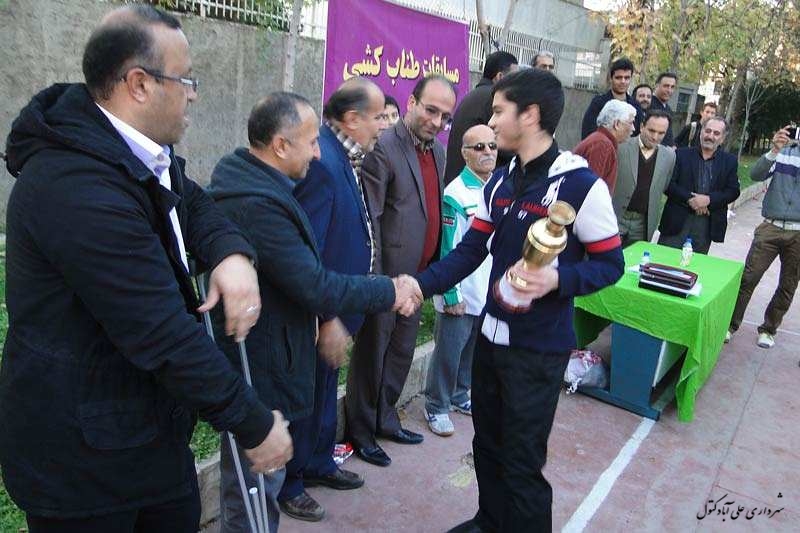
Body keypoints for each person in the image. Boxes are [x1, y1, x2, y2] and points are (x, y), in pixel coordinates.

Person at [0, 5, 289, 531]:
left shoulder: (136, 151)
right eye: (186, 80)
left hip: (146, 433)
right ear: (138, 84)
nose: (193, 94)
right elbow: (160, 332)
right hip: (84, 464)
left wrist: (231, 253)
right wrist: (253, 423)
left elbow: (192, 201)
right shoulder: (75, 185)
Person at [414, 68, 624, 533]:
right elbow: (470, 250)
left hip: (537, 351)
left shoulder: (580, 185)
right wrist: (418, 286)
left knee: (522, 463)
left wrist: (556, 280)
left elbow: (611, 265)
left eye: (498, 112)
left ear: (529, 115)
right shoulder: (501, 182)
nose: (491, 123)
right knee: (486, 446)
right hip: (490, 342)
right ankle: (490, 522)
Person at [207, 91, 421, 529]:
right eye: (310, 143)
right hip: (260, 369)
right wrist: (388, 290)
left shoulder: (263, 186)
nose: (318, 152)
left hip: (274, 357)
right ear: (280, 146)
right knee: (254, 494)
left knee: (261, 487)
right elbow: (313, 281)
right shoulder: (257, 203)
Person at [279, 78, 387, 521]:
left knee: (325, 391)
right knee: (305, 397)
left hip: (340, 308)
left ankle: (319, 462)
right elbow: (312, 248)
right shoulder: (322, 161)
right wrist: (326, 317)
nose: (383, 125)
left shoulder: (344, 155)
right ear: (352, 119)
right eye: (378, 117)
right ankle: (290, 483)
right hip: (322, 312)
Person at [347, 74, 456, 467]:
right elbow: (371, 218)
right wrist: (378, 279)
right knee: (372, 355)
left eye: (445, 116)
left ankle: (386, 419)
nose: (437, 121)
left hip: (419, 278)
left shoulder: (438, 152)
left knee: (400, 353)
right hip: (387, 278)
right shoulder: (384, 147)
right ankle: (360, 431)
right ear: (411, 103)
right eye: (431, 110)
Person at [424, 124, 495, 437]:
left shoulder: (497, 187)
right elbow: (448, 248)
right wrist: (451, 294)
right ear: (465, 154)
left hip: (484, 288)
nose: (488, 152)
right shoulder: (456, 193)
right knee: (448, 353)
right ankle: (436, 405)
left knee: (471, 350)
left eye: (492, 146)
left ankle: (459, 394)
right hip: (461, 290)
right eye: (479, 147)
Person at [726, 125, 800, 349]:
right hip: (770, 226)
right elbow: (755, 175)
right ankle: (730, 325)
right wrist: (774, 150)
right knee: (749, 278)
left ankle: (768, 329)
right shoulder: (784, 151)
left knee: (788, 285)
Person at [658, 117, 740, 254]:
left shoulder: (729, 161)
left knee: (694, 264)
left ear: (722, 138)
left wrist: (708, 200)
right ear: (701, 132)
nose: (710, 136)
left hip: (705, 224)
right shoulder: (681, 154)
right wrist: (691, 199)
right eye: (708, 131)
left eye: (716, 133)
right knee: (663, 260)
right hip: (677, 220)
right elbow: (668, 184)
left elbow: (733, 191)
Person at [444, 51, 518, 184]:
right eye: (514, 77)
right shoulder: (492, 99)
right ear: (500, 77)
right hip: (472, 186)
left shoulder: (476, 95)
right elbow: (505, 149)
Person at [612, 110, 676, 246]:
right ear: (642, 126)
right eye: (651, 131)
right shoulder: (620, 147)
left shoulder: (669, 156)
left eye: (661, 133)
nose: (655, 137)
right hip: (615, 216)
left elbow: (663, 185)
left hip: (643, 223)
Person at [573, 99, 637, 193]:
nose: (633, 128)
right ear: (617, 124)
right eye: (631, 123)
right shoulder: (602, 145)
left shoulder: (600, 140)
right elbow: (590, 189)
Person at [580, 57, 643, 139]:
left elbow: (638, 135)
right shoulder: (598, 103)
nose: (623, 81)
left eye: (627, 78)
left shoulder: (635, 106)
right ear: (611, 78)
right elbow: (588, 133)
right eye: (618, 77)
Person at [649, 72, 678, 146]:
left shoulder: (668, 109)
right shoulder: (647, 104)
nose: (669, 90)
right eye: (666, 86)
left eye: (672, 87)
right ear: (657, 85)